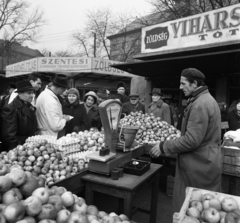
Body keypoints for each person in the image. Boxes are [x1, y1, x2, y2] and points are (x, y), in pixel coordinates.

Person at [149, 68, 222, 213]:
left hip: (199, 164)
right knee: (203, 209)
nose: (180, 87)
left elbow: (191, 140)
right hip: (205, 161)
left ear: (194, 83)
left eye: (183, 84)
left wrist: (164, 146)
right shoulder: (205, 99)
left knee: (193, 209)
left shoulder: (200, 104)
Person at [1, 80, 37, 150]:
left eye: (32, 93)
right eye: (29, 93)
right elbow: (9, 137)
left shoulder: (29, 106)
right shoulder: (11, 108)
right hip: (17, 149)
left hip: (28, 146)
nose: (32, 95)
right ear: (20, 93)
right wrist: (22, 148)